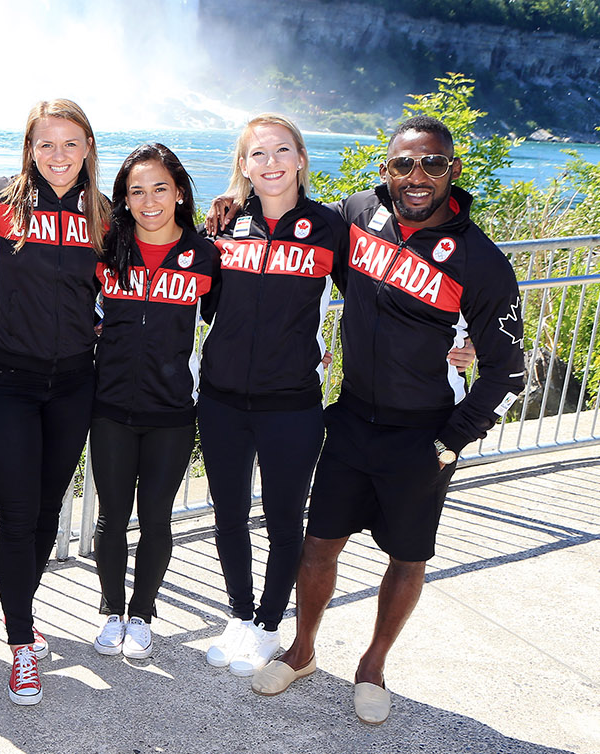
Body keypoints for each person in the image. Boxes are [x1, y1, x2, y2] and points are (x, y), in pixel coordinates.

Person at [251, 116, 524, 726]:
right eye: (404, 164)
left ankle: (372, 666)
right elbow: (287, 212)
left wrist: (450, 445)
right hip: (350, 419)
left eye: (431, 163)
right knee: (318, 545)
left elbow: (510, 374)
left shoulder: (481, 261)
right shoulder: (355, 215)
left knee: (406, 558)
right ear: (385, 170)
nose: (417, 176)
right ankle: (301, 651)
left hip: (424, 433)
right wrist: (234, 201)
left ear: (453, 170)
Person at [0, 99, 111, 705]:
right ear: (28, 147)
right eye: (45, 144)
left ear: (87, 149)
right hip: (11, 382)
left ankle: (21, 607)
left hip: (76, 382)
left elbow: (163, 239)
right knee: (19, 513)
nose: (58, 156)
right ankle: (21, 646)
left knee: (48, 512)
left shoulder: (103, 212)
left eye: (70, 144)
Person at [196, 114, 349, 680]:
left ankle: (268, 625)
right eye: (257, 154)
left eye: (282, 150)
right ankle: (238, 616)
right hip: (221, 399)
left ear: (302, 158)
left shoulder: (330, 227)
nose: (271, 162)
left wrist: (453, 344)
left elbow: (377, 300)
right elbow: (202, 303)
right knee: (228, 515)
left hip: (293, 403)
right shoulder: (225, 225)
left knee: (285, 520)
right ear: (243, 166)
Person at [89, 143, 218, 660]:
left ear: (180, 192)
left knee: (157, 517)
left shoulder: (205, 254)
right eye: (136, 190)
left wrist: (310, 352)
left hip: (171, 412)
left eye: (160, 188)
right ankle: (111, 609)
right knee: (111, 518)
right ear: (123, 198)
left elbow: (240, 319)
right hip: (111, 407)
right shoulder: (108, 249)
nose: (149, 200)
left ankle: (142, 613)